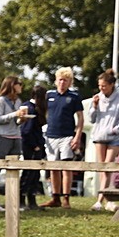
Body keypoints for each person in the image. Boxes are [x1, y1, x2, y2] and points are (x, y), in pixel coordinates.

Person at [88, 68, 119, 210]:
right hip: (99, 136)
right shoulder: (97, 97)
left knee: (109, 166)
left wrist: (115, 129)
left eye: (104, 86)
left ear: (111, 85)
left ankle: (102, 200)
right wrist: (94, 107)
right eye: (100, 85)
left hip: (114, 137)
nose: (101, 88)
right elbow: (92, 119)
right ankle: (105, 201)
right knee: (102, 169)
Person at [41, 67, 85, 208]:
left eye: (65, 80)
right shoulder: (49, 95)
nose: (62, 83)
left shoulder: (74, 97)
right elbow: (42, 112)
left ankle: (66, 197)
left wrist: (77, 137)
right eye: (60, 80)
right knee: (53, 168)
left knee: (66, 167)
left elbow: (80, 118)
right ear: (56, 81)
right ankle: (55, 197)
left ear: (70, 82)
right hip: (51, 135)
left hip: (67, 136)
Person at [0, 75, 29, 212]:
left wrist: (21, 119)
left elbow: (15, 122)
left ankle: (12, 202)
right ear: (12, 85)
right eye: (19, 84)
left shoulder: (18, 101)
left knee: (14, 170)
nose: (21, 86)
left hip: (16, 137)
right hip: (2, 138)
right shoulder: (1, 101)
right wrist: (15, 114)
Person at [20, 85, 48, 210]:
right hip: (31, 146)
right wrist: (35, 145)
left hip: (37, 144)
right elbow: (26, 131)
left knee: (35, 174)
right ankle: (21, 199)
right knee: (28, 173)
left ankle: (32, 200)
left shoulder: (35, 108)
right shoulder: (30, 108)